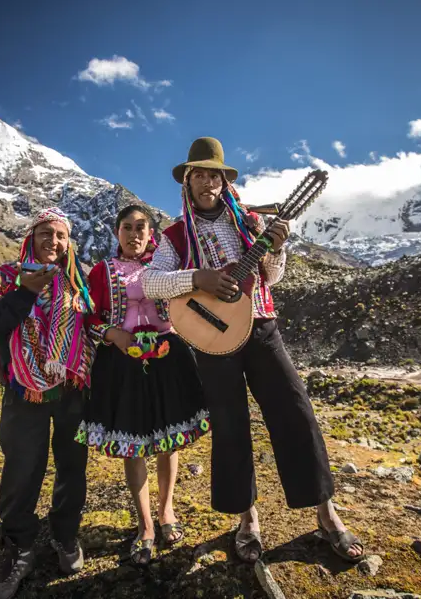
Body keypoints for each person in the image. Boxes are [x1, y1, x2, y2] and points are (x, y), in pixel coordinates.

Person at [142, 138, 364, 564]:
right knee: (231, 425)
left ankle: (326, 512)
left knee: (296, 411)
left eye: (215, 175)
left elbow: (272, 277)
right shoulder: (173, 234)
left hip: (262, 328)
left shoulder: (251, 223)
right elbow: (151, 283)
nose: (208, 182)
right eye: (200, 175)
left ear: (225, 182)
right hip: (213, 342)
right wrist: (199, 279)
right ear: (187, 182)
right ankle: (247, 518)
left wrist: (276, 248)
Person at [0, 207, 96, 599]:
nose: (53, 242)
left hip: (72, 388)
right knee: (23, 467)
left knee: (72, 467)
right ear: (31, 237)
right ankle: (19, 547)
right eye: (45, 233)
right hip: (23, 390)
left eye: (61, 235)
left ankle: (65, 535)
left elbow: (97, 325)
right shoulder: (5, 278)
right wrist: (26, 291)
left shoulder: (80, 281)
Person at [77, 204, 210, 566]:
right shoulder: (103, 272)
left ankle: (167, 511)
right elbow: (88, 314)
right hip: (121, 363)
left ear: (151, 234)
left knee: (168, 440)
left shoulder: (166, 267)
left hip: (170, 359)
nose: (134, 234)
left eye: (141, 227)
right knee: (134, 446)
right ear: (116, 233)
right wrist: (111, 333)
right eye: (126, 227)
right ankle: (145, 525)